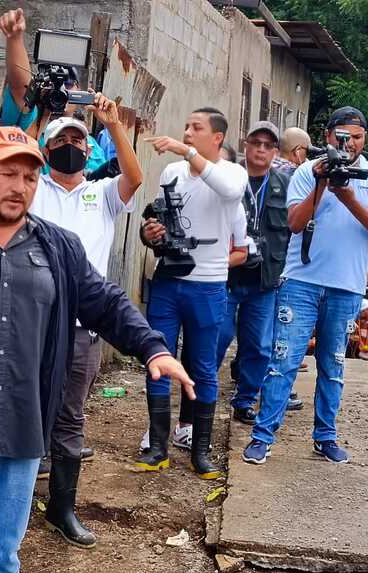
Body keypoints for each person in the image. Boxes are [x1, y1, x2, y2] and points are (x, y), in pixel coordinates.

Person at [0, 126, 193, 573]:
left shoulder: (58, 247)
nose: (19, 186)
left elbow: (105, 301)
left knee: (0, 556)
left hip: (23, 423)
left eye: (28, 176)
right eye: (7, 173)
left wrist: (152, 348)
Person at [242, 106, 368, 466]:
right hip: (301, 281)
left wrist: (348, 196)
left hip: (346, 286)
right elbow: (295, 223)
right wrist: (322, 183)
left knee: (333, 365)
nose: (349, 144)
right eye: (342, 137)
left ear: (364, 139)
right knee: (284, 361)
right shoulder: (306, 172)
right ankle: (262, 437)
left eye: (356, 137)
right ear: (327, 137)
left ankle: (325, 437)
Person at [28, 95, 143, 548]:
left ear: (88, 150)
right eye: (61, 141)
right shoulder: (33, 189)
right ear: (47, 150)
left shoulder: (102, 195)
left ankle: (62, 508)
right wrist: (40, 116)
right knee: (22, 408)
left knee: (70, 416)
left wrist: (113, 124)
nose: (71, 146)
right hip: (32, 320)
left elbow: (135, 177)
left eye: (78, 141)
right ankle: (8, 505)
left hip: (81, 328)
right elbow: (12, 159)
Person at [137, 108, 248, 479]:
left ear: (217, 137)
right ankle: (157, 446)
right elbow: (159, 221)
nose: (186, 132)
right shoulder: (172, 173)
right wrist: (151, 234)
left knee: (202, 367)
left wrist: (187, 152)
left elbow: (229, 191)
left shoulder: (232, 173)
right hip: (168, 281)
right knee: (157, 360)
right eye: (185, 127)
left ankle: (200, 450)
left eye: (195, 128)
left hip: (208, 284)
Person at [215, 121, 297, 425]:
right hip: (226, 275)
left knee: (259, 346)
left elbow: (294, 231)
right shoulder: (228, 178)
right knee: (218, 336)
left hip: (264, 279)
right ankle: (201, 391)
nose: (261, 150)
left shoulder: (285, 186)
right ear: (245, 146)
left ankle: (245, 399)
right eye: (256, 143)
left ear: (275, 151)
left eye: (267, 145)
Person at [0, 8, 106, 172]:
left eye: (67, 83)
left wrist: (113, 125)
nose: (59, 88)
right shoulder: (29, 118)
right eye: (51, 83)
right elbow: (19, 87)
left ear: (78, 89)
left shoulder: (93, 148)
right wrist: (15, 38)